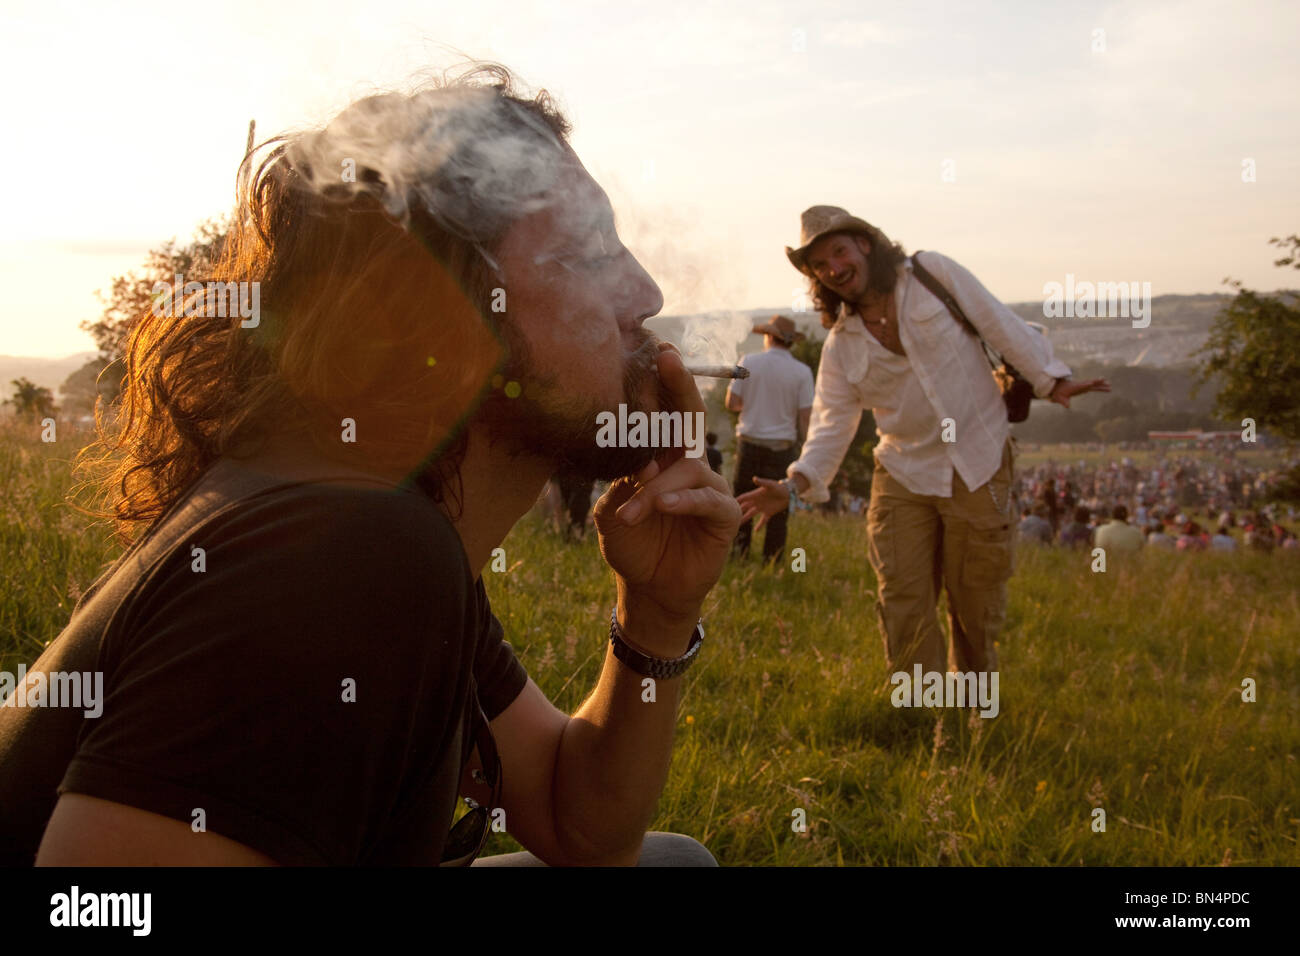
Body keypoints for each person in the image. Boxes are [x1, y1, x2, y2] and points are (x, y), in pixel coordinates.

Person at [0, 66, 740, 867]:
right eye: (585, 256)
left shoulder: (391, 523)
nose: (647, 293)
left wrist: (656, 616)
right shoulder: (347, 553)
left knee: (674, 865)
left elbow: (581, 826)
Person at [738, 205, 1108, 677]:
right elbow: (831, 427)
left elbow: (997, 322)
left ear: (865, 244)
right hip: (902, 471)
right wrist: (793, 487)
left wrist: (1050, 379)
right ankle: (925, 718)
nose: (834, 268)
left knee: (975, 600)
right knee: (903, 598)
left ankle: (974, 714)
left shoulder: (933, 274)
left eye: (839, 251)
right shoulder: (842, 345)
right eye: (820, 266)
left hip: (977, 458)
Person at [726, 314, 815, 565]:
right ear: (790, 341)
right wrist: (806, 454)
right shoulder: (803, 372)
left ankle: (738, 557)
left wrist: (754, 403)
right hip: (782, 450)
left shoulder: (748, 362)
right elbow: (805, 418)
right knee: (779, 508)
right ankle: (773, 562)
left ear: (768, 336)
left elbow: (731, 403)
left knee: (742, 504)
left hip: (749, 446)